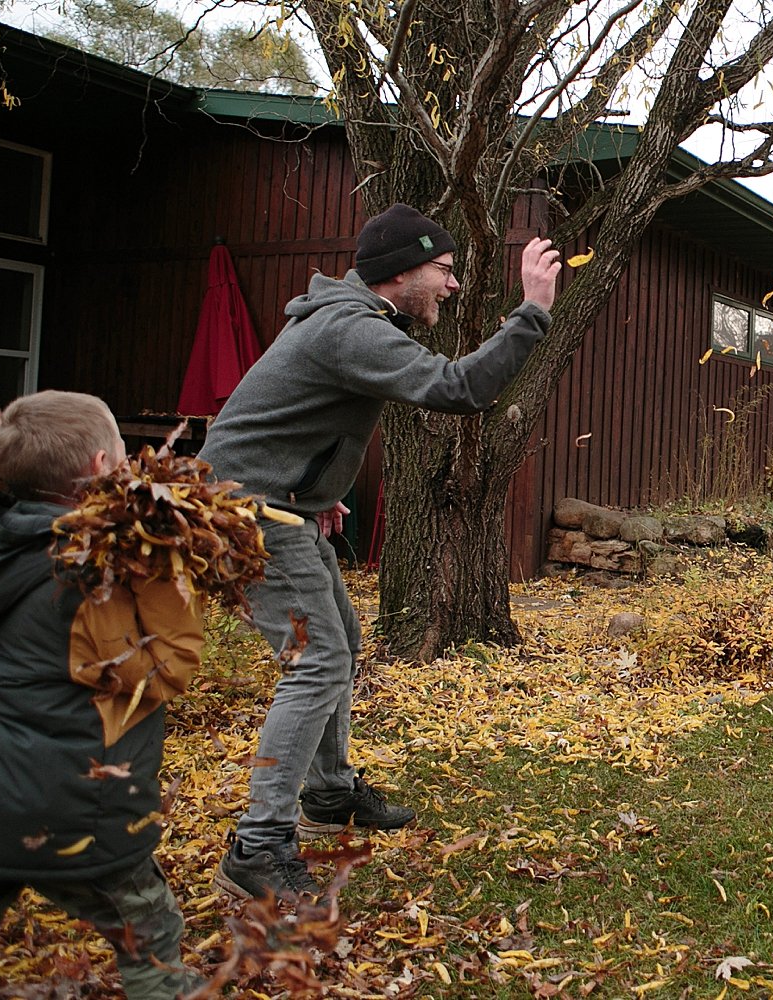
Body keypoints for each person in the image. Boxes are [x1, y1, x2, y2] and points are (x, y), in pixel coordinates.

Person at [200, 203, 562, 902]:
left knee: (343, 639)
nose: (452, 286)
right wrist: (533, 313)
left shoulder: (346, 321)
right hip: (252, 515)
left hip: (278, 503)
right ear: (402, 271)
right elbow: (459, 389)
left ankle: (328, 795)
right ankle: (258, 842)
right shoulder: (349, 328)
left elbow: (294, 411)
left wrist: (316, 485)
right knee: (319, 661)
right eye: (445, 270)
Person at [0, 391, 206, 1000]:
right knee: (152, 939)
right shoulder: (101, 566)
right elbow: (160, 671)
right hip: (79, 804)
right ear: (97, 468)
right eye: (121, 453)